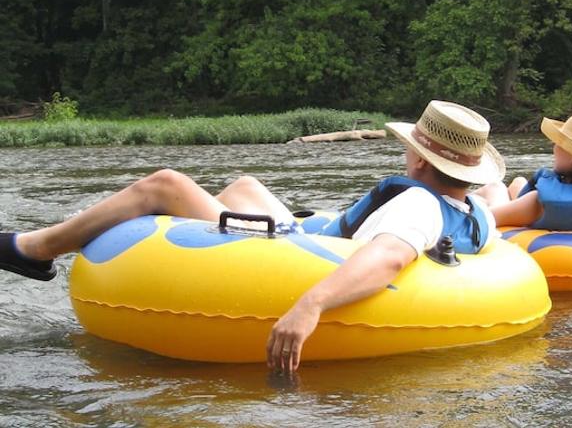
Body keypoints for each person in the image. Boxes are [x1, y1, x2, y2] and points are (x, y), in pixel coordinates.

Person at [0, 100, 505, 372]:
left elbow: (389, 259)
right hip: (309, 232)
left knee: (167, 184)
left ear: (418, 158)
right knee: (245, 185)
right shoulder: (475, 208)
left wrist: (309, 305)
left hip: (293, 253)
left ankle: (36, 249)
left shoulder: (416, 204)